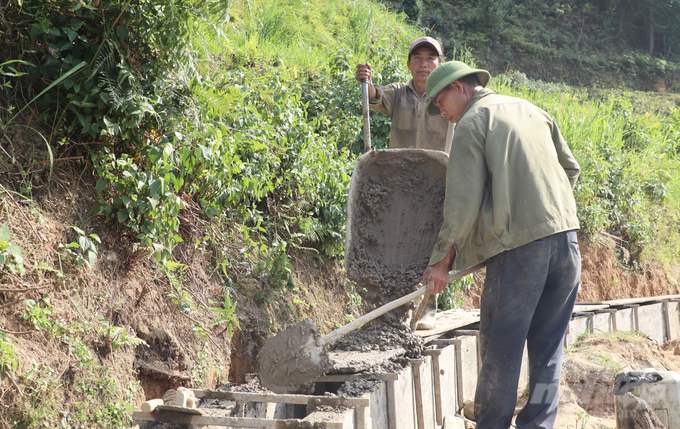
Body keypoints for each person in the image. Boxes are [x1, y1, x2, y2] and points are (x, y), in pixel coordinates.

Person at [421, 61, 581, 429]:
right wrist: (544, 216)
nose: (440, 111)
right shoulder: (530, 109)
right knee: (547, 352)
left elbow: (460, 204)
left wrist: (441, 262)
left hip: (521, 254)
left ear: (460, 88)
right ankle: (539, 423)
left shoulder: (472, 123)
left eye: (440, 100)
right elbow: (569, 169)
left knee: (500, 352)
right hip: (567, 244)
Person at [355, 36, 453, 330]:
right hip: (401, 184)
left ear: (439, 64)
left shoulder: (447, 96)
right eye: (418, 58)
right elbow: (374, 97)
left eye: (430, 59)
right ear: (410, 64)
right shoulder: (399, 93)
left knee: (433, 245)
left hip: (438, 182)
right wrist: (367, 81)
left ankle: (427, 308)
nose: (424, 64)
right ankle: (396, 306)